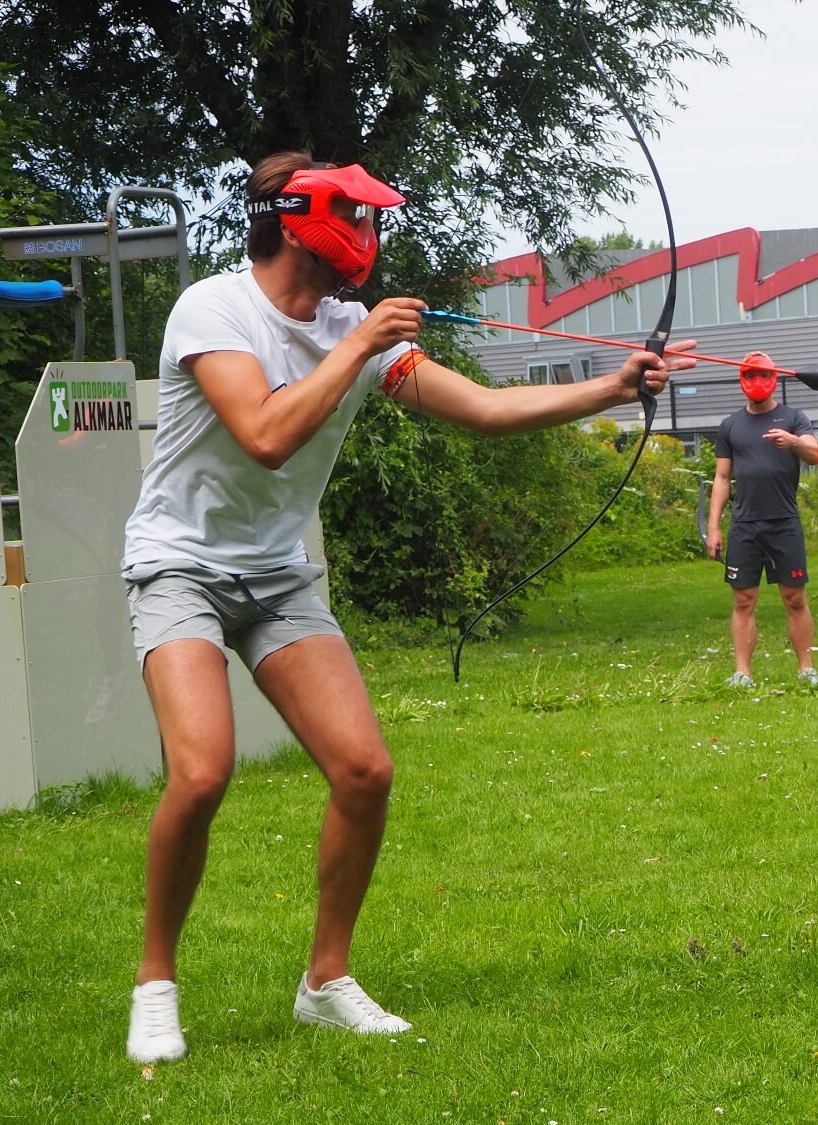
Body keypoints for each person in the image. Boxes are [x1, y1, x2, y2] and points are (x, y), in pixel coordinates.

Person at [122, 151, 695, 1063]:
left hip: (276, 575)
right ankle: (155, 981)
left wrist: (614, 388)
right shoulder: (215, 309)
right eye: (355, 218)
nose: (368, 239)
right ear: (298, 218)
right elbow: (266, 435)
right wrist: (356, 345)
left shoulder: (356, 325)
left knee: (363, 770)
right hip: (180, 565)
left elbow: (483, 409)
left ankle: (325, 981)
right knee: (201, 772)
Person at [705, 351, 818, 688]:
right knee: (743, 599)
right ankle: (742, 673)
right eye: (750, 375)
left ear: (774, 379)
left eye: (763, 376)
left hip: (784, 522)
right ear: (742, 379)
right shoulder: (730, 426)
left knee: (795, 597)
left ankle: (806, 670)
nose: (758, 383)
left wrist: (792, 442)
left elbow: (815, 454)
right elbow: (722, 479)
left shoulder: (794, 418)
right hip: (745, 525)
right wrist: (714, 527)